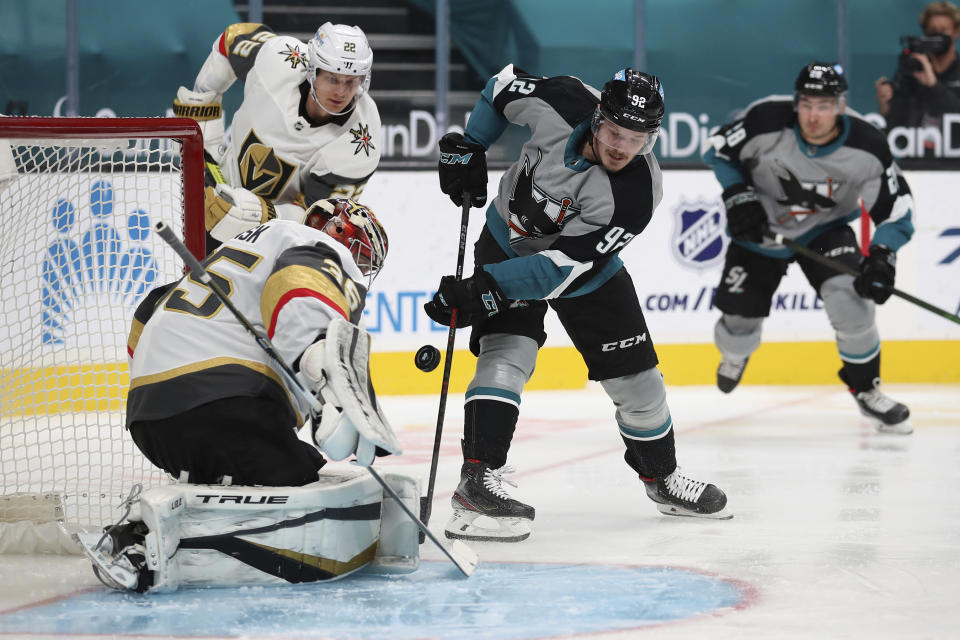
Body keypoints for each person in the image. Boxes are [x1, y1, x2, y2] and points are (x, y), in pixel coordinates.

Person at [424, 66, 732, 543]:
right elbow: (501, 87)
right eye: (613, 131)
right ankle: (476, 483)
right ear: (597, 117)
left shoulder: (635, 195)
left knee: (639, 384)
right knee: (507, 355)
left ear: (651, 138)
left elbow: (556, 270)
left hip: (585, 274)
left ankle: (662, 478)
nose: (621, 146)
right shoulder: (562, 100)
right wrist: (472, 143)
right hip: (507, 241)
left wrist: (478, 289)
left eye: (636, 138)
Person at [76, 199, 416, 592]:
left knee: (251, 461)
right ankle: (141, 541)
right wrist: (324, 374)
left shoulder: (237, 249)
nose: (361, 266)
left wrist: (164, 390)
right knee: (296, 473)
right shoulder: (321, 248)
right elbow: (299, 287)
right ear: (342, 232)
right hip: (223, 404)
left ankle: (188, 503)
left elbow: (149, 311)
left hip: (150, 419)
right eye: (364, 253)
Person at [704, 62, 916, 435]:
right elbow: (717, 151)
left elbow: (896, 209)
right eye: (806, 104)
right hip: (761, 228)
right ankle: (736, 355)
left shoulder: (867, 145)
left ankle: (866, 387)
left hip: (825, 229)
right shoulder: (766, 118)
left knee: (852, 302)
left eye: (824, 105)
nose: (813, 115)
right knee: (739, 324)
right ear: (796, 101)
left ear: (841, 105)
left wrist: (883, 255)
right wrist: (738, 194)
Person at [172, 21, 381, 250]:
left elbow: (321, 222)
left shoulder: (360, 140)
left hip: (278, 243)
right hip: (213, 194)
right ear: (313, 70)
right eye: (332, 78)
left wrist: (256, 215)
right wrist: (202, 111)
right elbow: (233, 38)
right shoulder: (279, 60)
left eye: (351, 81)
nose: (341, 92)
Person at [875, 1, 960, 142]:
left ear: (956, 32)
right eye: (933, 31)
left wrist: (933, 86)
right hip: (915, 155)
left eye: (943, 31)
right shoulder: (913, 68)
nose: (937, 36)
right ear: (925, 32)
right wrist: (885, 108)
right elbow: (895, 129)